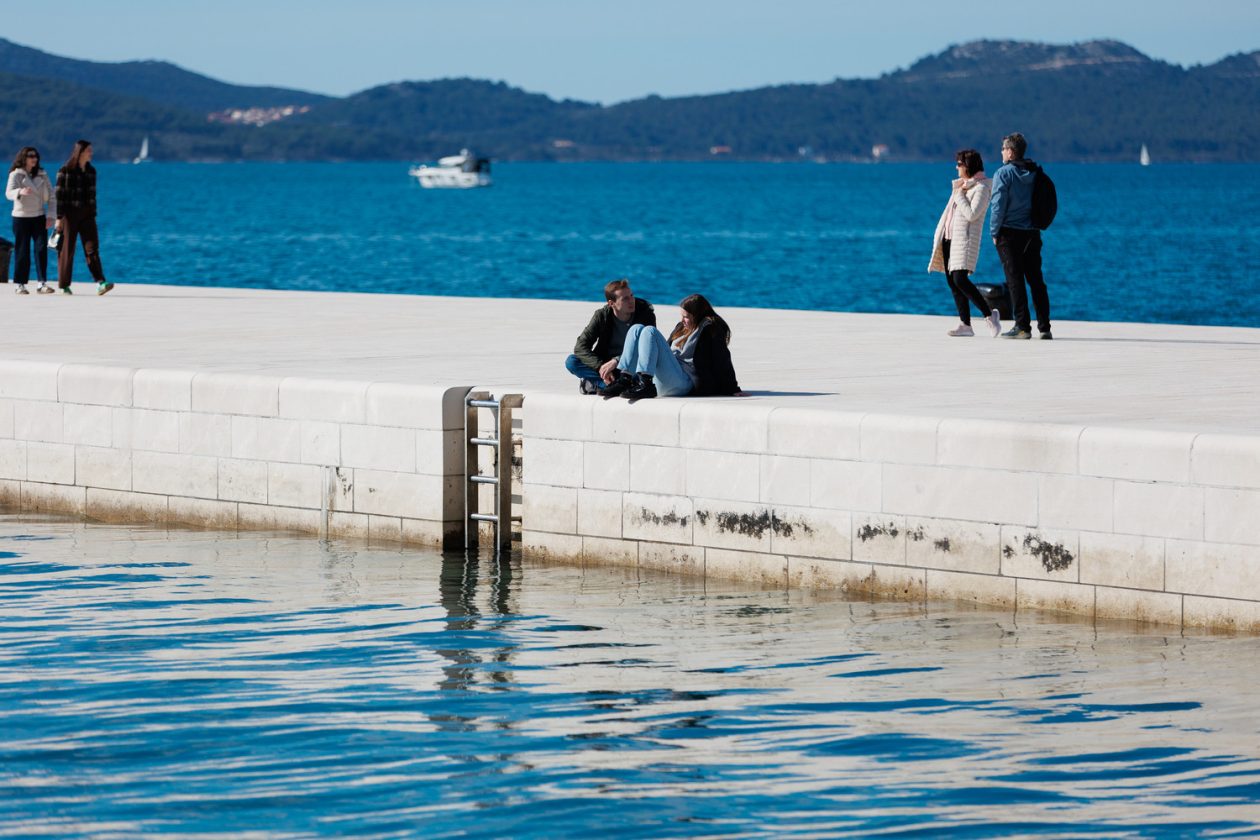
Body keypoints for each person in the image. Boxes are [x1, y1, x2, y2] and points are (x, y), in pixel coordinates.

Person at [601, 293, 742, 400]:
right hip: (667, 377)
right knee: (637, 328)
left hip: (683, 382)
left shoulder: (709, 328)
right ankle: (625, 379)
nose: (682, 320)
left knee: (650, 331)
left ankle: (646, 384)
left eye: (686, 316)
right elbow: (664, 351)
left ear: (698, 315)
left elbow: (722, 357)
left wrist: (732, 387)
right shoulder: (682, 327)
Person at [928, 148, 998, 337]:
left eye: (959, 164)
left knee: (960, 279)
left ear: (968, 166)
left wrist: (958, 194)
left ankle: (990, 315)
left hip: (964, 240)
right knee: (953, 282)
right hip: (950, 238)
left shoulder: (982, 188)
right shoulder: (963, 186)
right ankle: (965, 325)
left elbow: (972, 214)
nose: (956, 167)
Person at [990, 132, 1049, 339]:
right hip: (1032, 233)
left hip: (1009, 233)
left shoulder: (1003, 174)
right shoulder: (1034, 172)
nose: (1001, 152)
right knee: (1036, 280)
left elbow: (998, 205)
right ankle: (1045, 327)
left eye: (1004, 149)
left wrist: (994, 231)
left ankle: (1022, 326)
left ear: (1011, 152)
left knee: (1015, 280)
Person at [566, 279, 655, 393]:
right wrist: (600, 367)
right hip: (608, 366)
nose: (631, 301)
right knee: (572, 361)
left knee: (644, 376)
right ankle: (606, 384)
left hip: (632, 365)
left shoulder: (645, 313)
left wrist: (617, 361)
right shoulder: (602, 315)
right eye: (625, 299)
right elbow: (581, 347)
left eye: (631, 295)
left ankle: (600, 385)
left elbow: (648, 347)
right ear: (611, 303)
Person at [54, 139, 114, 296]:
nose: (91, 153)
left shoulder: (91, 171)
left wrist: (93, 212)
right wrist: (59, 218)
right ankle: (64, 285)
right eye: (89, 150)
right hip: (69, 214)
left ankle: (101, 282)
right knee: (67, 250)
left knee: (92, 248)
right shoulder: (65, 170)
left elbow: (93, 194)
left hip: (87, 215)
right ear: (80, 152)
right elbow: (59, 196)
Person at [5, 147, 57, 294]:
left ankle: (42, 283)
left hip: (39, 216)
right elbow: (8, 193)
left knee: (41, 250)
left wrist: (51, 216)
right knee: (22, 251)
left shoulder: (42, 174)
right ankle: (20, 284)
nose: (34, 158)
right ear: (23, 158)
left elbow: (52, 196)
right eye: (30, 156)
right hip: (21, 218)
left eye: (36, 156)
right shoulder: (16, 174)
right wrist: (20, 192)